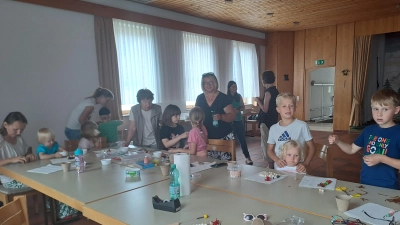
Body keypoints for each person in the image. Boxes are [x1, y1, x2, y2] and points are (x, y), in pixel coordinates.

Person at [329, 89, 400, 190]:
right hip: (365, 182)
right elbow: (351, 149)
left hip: (388, 186)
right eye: (375, 109)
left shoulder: (398, 133)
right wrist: (338, 141)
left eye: (385, 109)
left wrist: (381, 158)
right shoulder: (368, 130)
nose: (379, 114)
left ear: (396, 110)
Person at [267, 93, 315, 173]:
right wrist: (277, 159)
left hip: (298, 169)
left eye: (291, 106)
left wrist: (305, 163)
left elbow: (312, 147)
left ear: (295, 108)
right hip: (280, 169)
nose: (288, 109)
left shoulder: (302, 126)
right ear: (278, 109)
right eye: (284, 106)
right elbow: (269, 150)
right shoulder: (273, 129)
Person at [195, 72, 236, 160]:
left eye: (211, 82)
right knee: (208, 166)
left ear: (215, 83)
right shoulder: (200, 98)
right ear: (203, 85)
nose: (208, 85)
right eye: (206, 83)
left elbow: (232, 115)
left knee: (225, 166)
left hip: (223, 136)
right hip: (206, 138)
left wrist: (221, 117)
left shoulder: (223, 98)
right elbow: (196, 116)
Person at [0, 112, 36, 188]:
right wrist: (11, 160)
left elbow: (27, 150)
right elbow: (13, 159)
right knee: (39, 184)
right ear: (5, 125)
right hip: (10, 180)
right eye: (15, 129)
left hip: (25, 174)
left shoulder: (19, 138)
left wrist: (29, 155)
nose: (19, 132)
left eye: (22, 129)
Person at [227, 81, 252, 165]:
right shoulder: (226, 97)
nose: (235, 88)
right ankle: (231, 159)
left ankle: (247, 157)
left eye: (236, 86)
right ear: (229, 88)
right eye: (233, 86)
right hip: (230, 122)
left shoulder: (239, 96)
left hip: (238, 120)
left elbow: (243, 106)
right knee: (231, 141)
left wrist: (238, 109)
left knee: (242, 140)